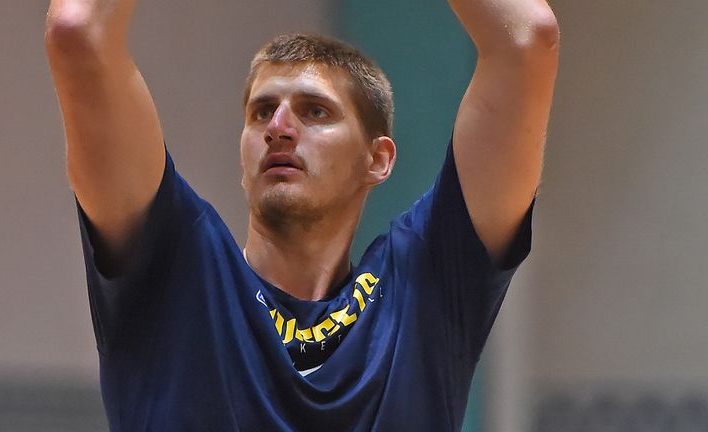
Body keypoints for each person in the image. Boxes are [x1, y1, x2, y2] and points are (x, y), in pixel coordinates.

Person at [44, 0, 558, 430]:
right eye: (261, 112)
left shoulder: (422, 284)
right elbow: (76, 32)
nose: (279, 128)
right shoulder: (179, 269)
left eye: (315, 111)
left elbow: (526, 39)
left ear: (377, 159)